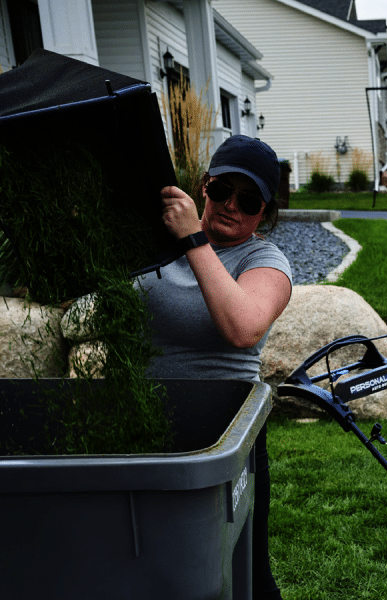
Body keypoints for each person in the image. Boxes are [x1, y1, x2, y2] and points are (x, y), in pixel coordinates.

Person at [137, 135, 292, 599]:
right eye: (223, 190)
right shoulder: (152, 239)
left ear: (263, 212)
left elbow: (243, 328)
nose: (232, 206)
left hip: (225, 434)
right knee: (154, 564)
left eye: (249, 200)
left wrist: (193, 239)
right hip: (145, 424)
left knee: (243, 569)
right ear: (205, 186)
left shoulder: (264, 260)